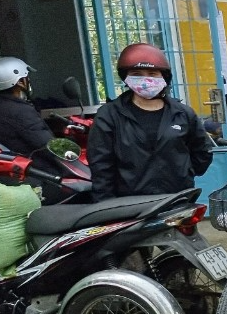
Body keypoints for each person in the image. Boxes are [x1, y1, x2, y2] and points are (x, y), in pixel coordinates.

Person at [87, 43, 213, 200]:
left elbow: (202, 152)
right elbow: (101, 164)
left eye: (152, 73)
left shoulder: (183, 114)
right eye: (137, 74)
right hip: (129, 204)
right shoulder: (109, 115)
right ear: (126, 77)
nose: (145, 79)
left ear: (164, 77)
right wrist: (106, 206)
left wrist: (183, 173)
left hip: (177, 200)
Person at [0, 57, 53, 157]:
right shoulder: (21, 111)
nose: (28, 80)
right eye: (26, 77)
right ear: (20, 82)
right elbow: (48, 147)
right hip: (34, 168)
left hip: (13, 167)